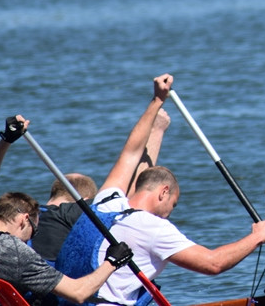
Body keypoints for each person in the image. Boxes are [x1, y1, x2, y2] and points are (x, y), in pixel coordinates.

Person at [56, 74, 265, 306]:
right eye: (172, 205)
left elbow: (131, 152)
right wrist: (257, 237)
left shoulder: (106, 201)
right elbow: (213, 264)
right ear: (163, 193)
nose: (168, 214)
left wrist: (157, 101)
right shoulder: (153, 228)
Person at [0, 115, 134, 306]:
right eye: (33, 232)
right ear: (24, 219)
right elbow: (78, 292)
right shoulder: (16, 251)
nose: (29, 240)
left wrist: (6, 141)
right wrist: (112, 261)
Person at [31, 108, 170, 265]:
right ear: (84, 201)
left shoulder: (28, 219)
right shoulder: (74, 212)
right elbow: (134, 200)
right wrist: (157, 131)